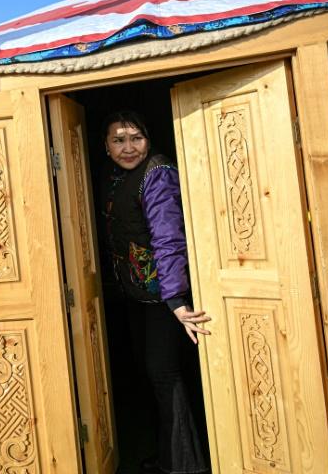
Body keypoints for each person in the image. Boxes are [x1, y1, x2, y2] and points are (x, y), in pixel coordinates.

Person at [101, 110, 210, 474]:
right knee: (153, 374)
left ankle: (184, 465)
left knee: (165, 375)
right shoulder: (119, 178)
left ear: (149, 140)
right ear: (106, 146)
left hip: (164, 298)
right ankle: (171, 457)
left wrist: (176, 301)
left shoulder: (157, 174)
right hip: (139, 296)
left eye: (136, 138)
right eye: (119, 139)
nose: (128, 147)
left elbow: (168, 237)